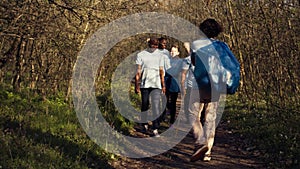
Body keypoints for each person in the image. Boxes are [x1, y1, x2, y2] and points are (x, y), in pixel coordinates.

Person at [189, 18, 227, 162]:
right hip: (215, 86)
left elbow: (194, 62)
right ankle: (208, 152)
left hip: (198, 85)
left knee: (194, 115)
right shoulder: (222, 46)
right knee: (211, 118)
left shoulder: (196, 44)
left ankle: (200, 140)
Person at [135, 37, 166, 137]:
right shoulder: (141, 55)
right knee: (145, 104)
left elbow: (161, 71)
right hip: (145, 84)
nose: (154, 47)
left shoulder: (160, 55)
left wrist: (163, 85)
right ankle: (144, 124)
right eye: (152, 45)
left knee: (156, 106)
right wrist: (137, 85)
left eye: (156, 46)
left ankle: (155, 127)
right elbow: (138, 71)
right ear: (149, 45)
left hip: (156, 84)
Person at [164, 44, 183, 125]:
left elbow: (179, 72)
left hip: (174, 83)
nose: (172, 53)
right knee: (165, 101)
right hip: (166, 82)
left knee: (173, 102)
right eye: (171, 51)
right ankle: (163, 116)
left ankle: (172, 119)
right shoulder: (167, 60)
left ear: (178, 52)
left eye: (174, 51)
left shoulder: (180, 61)